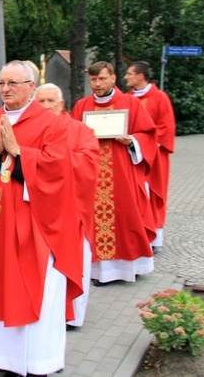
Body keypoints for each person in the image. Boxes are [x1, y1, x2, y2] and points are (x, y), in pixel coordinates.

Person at [0, 61, 82, 376]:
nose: (5, 89)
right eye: (1, 83)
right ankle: (1, 358)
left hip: (34, 229)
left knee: (31, 290)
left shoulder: (50, 123)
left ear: (30, 86)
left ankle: (37, 360)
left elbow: (59, 170)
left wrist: (20, 152)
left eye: (13, 83)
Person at [71, 61, 158, 285]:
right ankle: (99, 271)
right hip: (91, 175)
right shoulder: (82, 106)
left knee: (125, 216)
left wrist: (132, 141)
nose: (97, 84)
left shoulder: (130, 103)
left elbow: (148, 134)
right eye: (93, 79)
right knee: (91, 219)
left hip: (121, 173)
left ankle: (127, 267)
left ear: (113, 78)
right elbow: (71, 135)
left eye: (101, 78)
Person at [35, 83, 100, 328]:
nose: (45, 106)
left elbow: (89, 163)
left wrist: (52, 163)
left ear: (62, 105)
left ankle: (72, 315)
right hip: (38, 212)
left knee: (71, 263)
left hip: (70, 212)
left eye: (50, 101)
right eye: (40, 101)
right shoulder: (30, 130)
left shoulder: (79, 130)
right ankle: (45, 311)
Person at [125, 61, 176, 250]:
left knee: (152, 194)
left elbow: (166, 127)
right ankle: (135, 234)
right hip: (131, 154)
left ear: (140, 76)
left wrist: (144, 142)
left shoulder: (159, 98)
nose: (126, 77)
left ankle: (155, 238)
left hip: (155, 156)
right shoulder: (126, 98)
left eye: (130, 73)